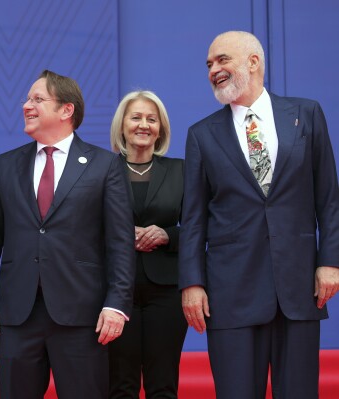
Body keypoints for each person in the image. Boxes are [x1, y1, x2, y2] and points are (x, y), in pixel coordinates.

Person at [179, 30, 339, 398]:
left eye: (222, 60)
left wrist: (330, 260)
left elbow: (328, 198)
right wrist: (191, 283)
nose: (213, 70)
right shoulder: (202, 135)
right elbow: (194, 218)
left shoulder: (307, 114)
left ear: (253, 62)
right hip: (230, 293)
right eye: (208, 64)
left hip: (298, 289)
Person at [0, 69, 136, 399]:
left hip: (82, 317)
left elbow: (120, 243)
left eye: (37, 99)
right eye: (26, 99)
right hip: (18, 316)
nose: (26, 106)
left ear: (66, 110)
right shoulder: (5, 165)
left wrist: (117, 304)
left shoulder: (104, 165)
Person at [108, 90, 187, 398]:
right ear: (122, 125)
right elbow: (82, 227)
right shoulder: (100, 170)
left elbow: (200, 227)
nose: (144, 125)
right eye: (136, 117)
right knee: (119, 384)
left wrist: (168, 235)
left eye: (151, 119)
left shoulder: (181, 170)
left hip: (166, 291)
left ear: (161, 128)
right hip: (114, 291)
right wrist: (118, 233)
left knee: (163, 384)